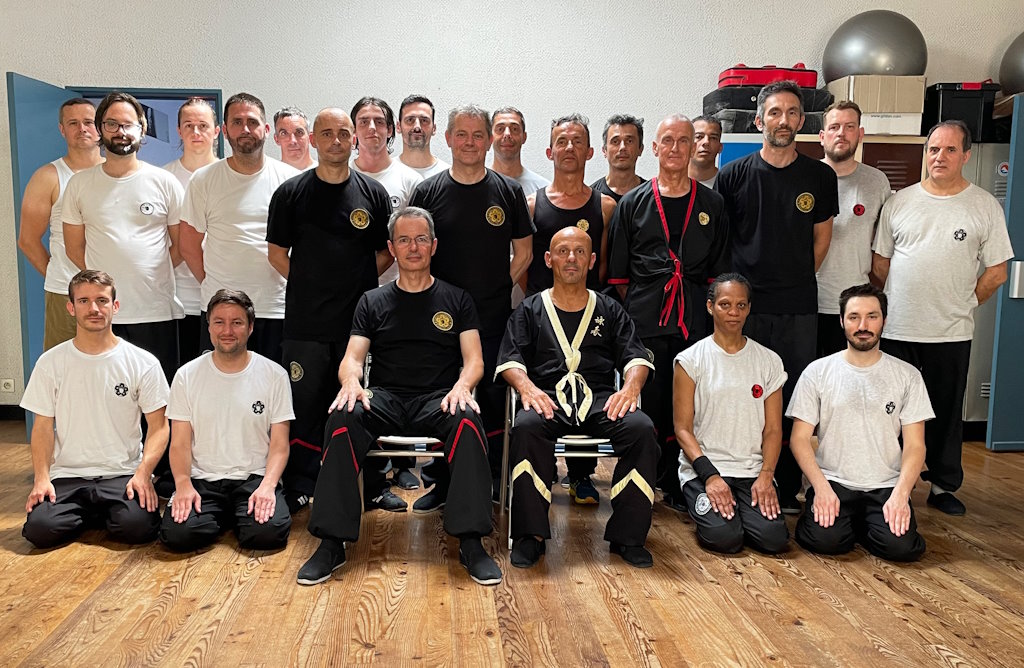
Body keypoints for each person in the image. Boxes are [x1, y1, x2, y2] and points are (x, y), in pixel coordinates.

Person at [297, 206, 502, 587]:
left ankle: (472, 542)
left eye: (421, 239)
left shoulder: (457, 299)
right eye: (404, 240)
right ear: (391, 248)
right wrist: (351, 384)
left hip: (439, 397)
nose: (413, 247)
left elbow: (474, 361)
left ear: (434, 245)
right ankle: (331, 541)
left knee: (469, 420)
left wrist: (462, 386)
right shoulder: (372, 301)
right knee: (343, 416)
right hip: (386, 397)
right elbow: (352, 359)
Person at [872, 120, 1013, 516]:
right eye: (934, 149)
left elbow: (998, 270)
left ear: (966, 156)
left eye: (950, 150)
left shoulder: (983, 205)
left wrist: (965, 304)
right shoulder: (900, 202)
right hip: (898, 327)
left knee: (945, 412)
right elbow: (880, 263)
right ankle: (887, 481)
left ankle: (942, 485)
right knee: (890, 410)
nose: (940, 157)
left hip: (950, 331)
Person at [499, 227, 658, 568]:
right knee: (526, 425)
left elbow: (636, 356)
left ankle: (627, 537)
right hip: (547, 397)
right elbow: (510, 360)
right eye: (563, 251)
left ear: (591, 260)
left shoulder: (610, 309)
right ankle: (530, 535)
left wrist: (630, 389)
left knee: (641, 428)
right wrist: (526, 388)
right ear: (548, 258)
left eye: (580, 252)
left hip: (601, 398)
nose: (571, 258)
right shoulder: (529, 309)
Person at [715, 80, 838, 514]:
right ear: (759, 119)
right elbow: (724, 242)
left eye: (791, 113)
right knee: (742, 396)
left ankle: (785, 486)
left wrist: (797, 275)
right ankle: (743, 478)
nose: (782, 120)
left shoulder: (819, 176)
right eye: (774, 112)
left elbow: (821, 239)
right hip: (745, 310)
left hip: (798, 307)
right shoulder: (733, 175)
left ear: (802, 121)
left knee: (790, 398)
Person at [266, 107, 394, 512]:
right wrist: (310, 284)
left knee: (364, 405)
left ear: (354, 138)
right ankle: (302, 484)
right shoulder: (290, 193)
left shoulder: (372, 193)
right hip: (305, 325)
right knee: (304, 406)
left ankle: (372, 485)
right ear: (314, 140)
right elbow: (275, 253)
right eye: (327, 133)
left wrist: (353, 287)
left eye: (343, 133)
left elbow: (385, 253)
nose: (336, 141)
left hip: (359, 326)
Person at [408, 104, 534, 510]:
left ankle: (493, 481)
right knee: (446, 399)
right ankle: (442, 484)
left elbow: (525, 252)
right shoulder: (427, 192)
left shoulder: (507, 191)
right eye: (461, 135)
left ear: (489, 140)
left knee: (494, 401)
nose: (470, 143)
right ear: (447, 139)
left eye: (478, 135)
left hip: (492, 317)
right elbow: (414, 250)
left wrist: (498, 287)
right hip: (438, 320)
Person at [607, 113, 730, 509]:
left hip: (694, 318)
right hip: (646, 317)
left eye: (684, 140)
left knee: (693, 402)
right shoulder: (632, 203)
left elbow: (719, 269)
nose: (675, 148)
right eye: (667, 141)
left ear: (695, 147)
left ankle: (685, 479)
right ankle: (648, 478)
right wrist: (638, 318)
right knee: (652, 402)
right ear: (654, 149)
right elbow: (619, 274)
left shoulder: (712, 203)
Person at [21, 270, 169, 548]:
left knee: (138, 528)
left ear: (115, 306)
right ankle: (93, 511)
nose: (93, 309)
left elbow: (160, 427)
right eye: (84, 301)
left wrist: (144, 473)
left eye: (102, 300)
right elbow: (42, 427)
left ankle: (101, 511)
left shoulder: (142, 362)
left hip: (122, 474)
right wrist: (41, 479)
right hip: (68, 475)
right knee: (40, 531)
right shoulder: (50, 362)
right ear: (70, 307)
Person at [788, 284, 931, 561]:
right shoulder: (817, 372)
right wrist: (819, 488)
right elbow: (799, 439)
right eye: (854, 317)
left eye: (872, 316)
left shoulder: (907, 375)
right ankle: (851, 522)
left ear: (884, 321)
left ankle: (866, 523)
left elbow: (915, 445)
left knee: (901, 549)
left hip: (885, 483)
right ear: (841, 321)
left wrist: (901, 495)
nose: (862, 325)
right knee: (825, 541)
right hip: (834, 481)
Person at [524, 113, 617, 503]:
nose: (569, 148)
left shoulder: (607, 206)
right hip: (544, 317)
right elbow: (524, 261)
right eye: (561, 141)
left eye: (577, 141)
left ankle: (581, 475)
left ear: (590, 151)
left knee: (591, 389)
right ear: (549, 150)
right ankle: (541, 474)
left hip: (587, 314)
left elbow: (606, 263)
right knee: (543, 396)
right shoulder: (531, 204)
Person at [63, 91, 185, 383]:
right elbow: (74, 248)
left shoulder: (165, 182)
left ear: (142, 128)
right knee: (107, 399)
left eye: (128, 124)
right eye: (112, 124)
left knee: (157, 401)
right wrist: (104, 282)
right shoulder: (80, 185)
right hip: (102, 315)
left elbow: (182, 246)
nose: (121, 132)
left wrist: (147, 273)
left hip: (155, 311)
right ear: (100, 129)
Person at [159, 289, 293, 551]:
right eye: (219, 322)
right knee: (178, 536)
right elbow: (180, 444)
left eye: (237, 322)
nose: (227, 330)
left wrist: (268, 486)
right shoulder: (186, 375)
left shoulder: (274, 375)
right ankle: (222, 515)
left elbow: (279, 444)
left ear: (251, 327)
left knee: (266, 535)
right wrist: (183, 484)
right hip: (202, 480)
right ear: (208, 326)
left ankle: (234, 516)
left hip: (254, 478)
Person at [673, 273, 788, 554]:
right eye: (725, 304)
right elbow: (682, 429)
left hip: (752, 472)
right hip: (706, 471)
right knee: (725, 539)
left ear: (749, 308)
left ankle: (745, 513)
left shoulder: (769, 361)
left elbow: (773, 429)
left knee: (774, 540)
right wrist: (710, 477)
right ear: (710, 307)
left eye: (740, 305)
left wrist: (766, 476)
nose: (733, 312)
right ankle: (711, 508)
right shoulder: (690, 360)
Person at [179, 92, 300, 362]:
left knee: (273, 391)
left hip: (275, 307)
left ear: (267, 130)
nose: (245, 129)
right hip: (222, 312)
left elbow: (303, 246)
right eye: (237, 122)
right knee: (220, 391)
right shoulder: (204, 180)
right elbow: (187, 244)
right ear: (224, 131)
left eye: (252, 122)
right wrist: (216, 284)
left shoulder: (290, 182)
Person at [17, 97, 103, 350]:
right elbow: (27, 240)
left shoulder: (116, 173)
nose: (82, 129)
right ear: (62, 129)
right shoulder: (48, 177)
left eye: (88, 122)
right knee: (63, 368)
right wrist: (63, 280)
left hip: (113, 292)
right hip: (66, 292)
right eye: (73, 123)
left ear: (98, 126)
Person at [816, 101, 891, 357]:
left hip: (855, 306)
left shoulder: (876, 182)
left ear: (860, 134)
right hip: (809, 303)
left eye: (849, 127)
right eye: (834, 127)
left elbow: (883, 246)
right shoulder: (804, 178)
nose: (841, 133)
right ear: (822, 136)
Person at [164, 97, 221, 365]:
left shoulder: (230, 175)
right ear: (179, 131)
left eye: (202, 125)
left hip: (226, 296)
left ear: (217, 130)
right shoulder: (163, 178)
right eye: (188, 125)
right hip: (181, 298)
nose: (196, 132)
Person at [350, 96, 423, 290]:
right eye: (364, 122)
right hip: (347, 289)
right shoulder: (342, 178)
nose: (372, 128)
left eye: (379, 122)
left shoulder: (411, 181)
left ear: (390, 129)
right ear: (353, 131)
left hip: (397, 289)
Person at [491, 106, 550, 192]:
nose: (507, 134)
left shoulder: (543, 190)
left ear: (524, 137)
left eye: (514, 129)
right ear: (490, 137)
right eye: (500, 129)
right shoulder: (477, 186)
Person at [590, 114, 645, 203]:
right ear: (604, 150)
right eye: (615, 141)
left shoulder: (651, 197)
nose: (622, 147)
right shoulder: (591, 198)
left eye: (629, 141)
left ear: (640, 149)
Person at [398, 95, 450, 179]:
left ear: (434, 128)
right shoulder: (386, 172)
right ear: (398, 127)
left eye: (424, 120)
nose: (417, 127)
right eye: (410, 120)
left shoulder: (447, 175)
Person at [688, 116, 723, 189]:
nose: (706, 142)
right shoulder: (671, 184)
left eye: (713, 138)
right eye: (699, 137)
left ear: (720, 147)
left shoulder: (728, 185)